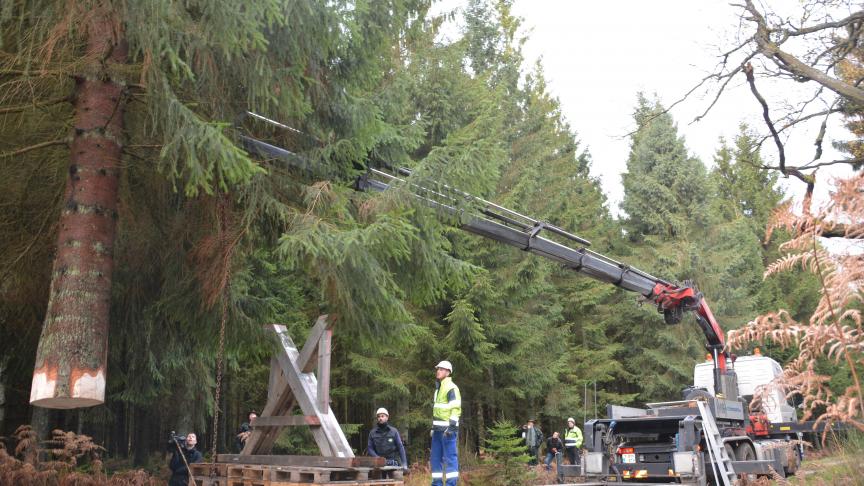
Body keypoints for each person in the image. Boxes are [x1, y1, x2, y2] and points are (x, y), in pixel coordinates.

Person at [430, 360, 460, 486]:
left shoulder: (451, 388)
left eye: (441, 369)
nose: (438, 371)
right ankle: (436, 484)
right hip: (437, 430)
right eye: (438, 369)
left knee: (450, 459)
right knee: (435, 459)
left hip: (448, 431)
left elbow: (455, 408)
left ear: (448, 372)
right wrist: (433, 427)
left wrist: (452, 428)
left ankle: (450, 484)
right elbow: (438, 412)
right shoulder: (438, 389)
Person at [367, 407, 408, 471]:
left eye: (382, 416)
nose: (380, 418)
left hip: (393, 464)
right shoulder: (372, 433)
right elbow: (370, 449)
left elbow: (400, 447)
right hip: (378, 464)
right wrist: (378, 458)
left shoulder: (394, 432)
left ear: (387, 417)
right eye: (379, 417)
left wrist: (404, 464)